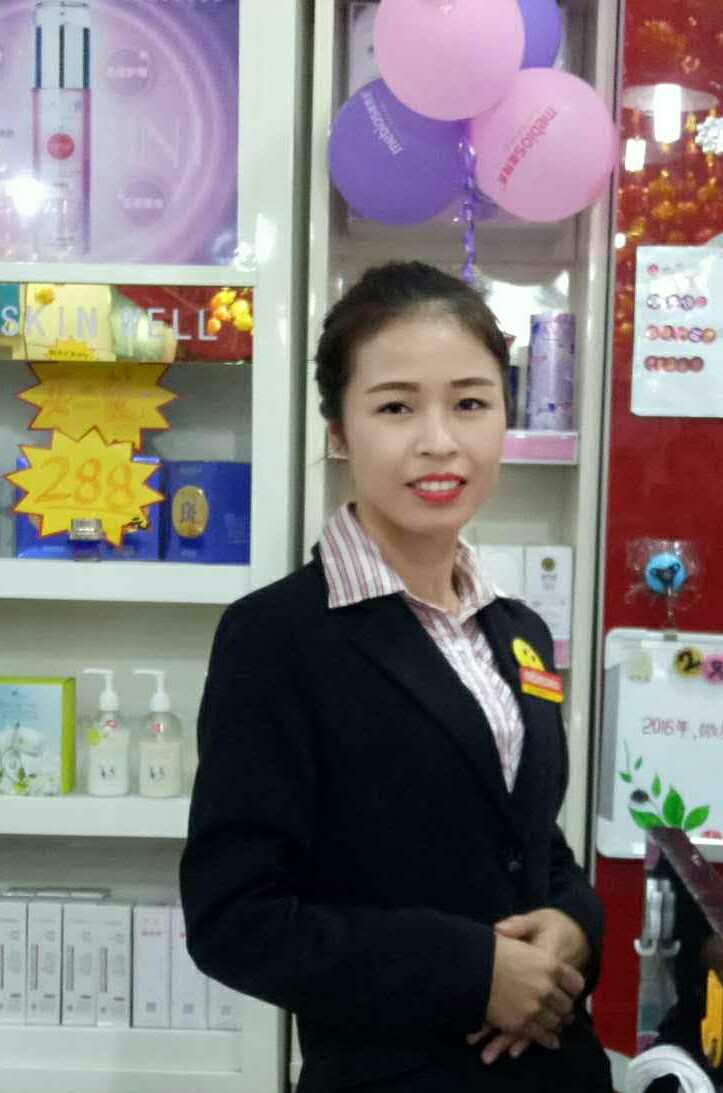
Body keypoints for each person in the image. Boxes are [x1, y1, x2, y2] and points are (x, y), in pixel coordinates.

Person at [180, 262, 613, 1092]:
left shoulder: (517, 630)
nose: (438, 440)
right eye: (395, 407)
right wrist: (468, 969)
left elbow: (530, 843)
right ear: (339, 430)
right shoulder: (277, 637)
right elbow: (235, 918)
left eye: (470, 402)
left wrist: (572, 923)